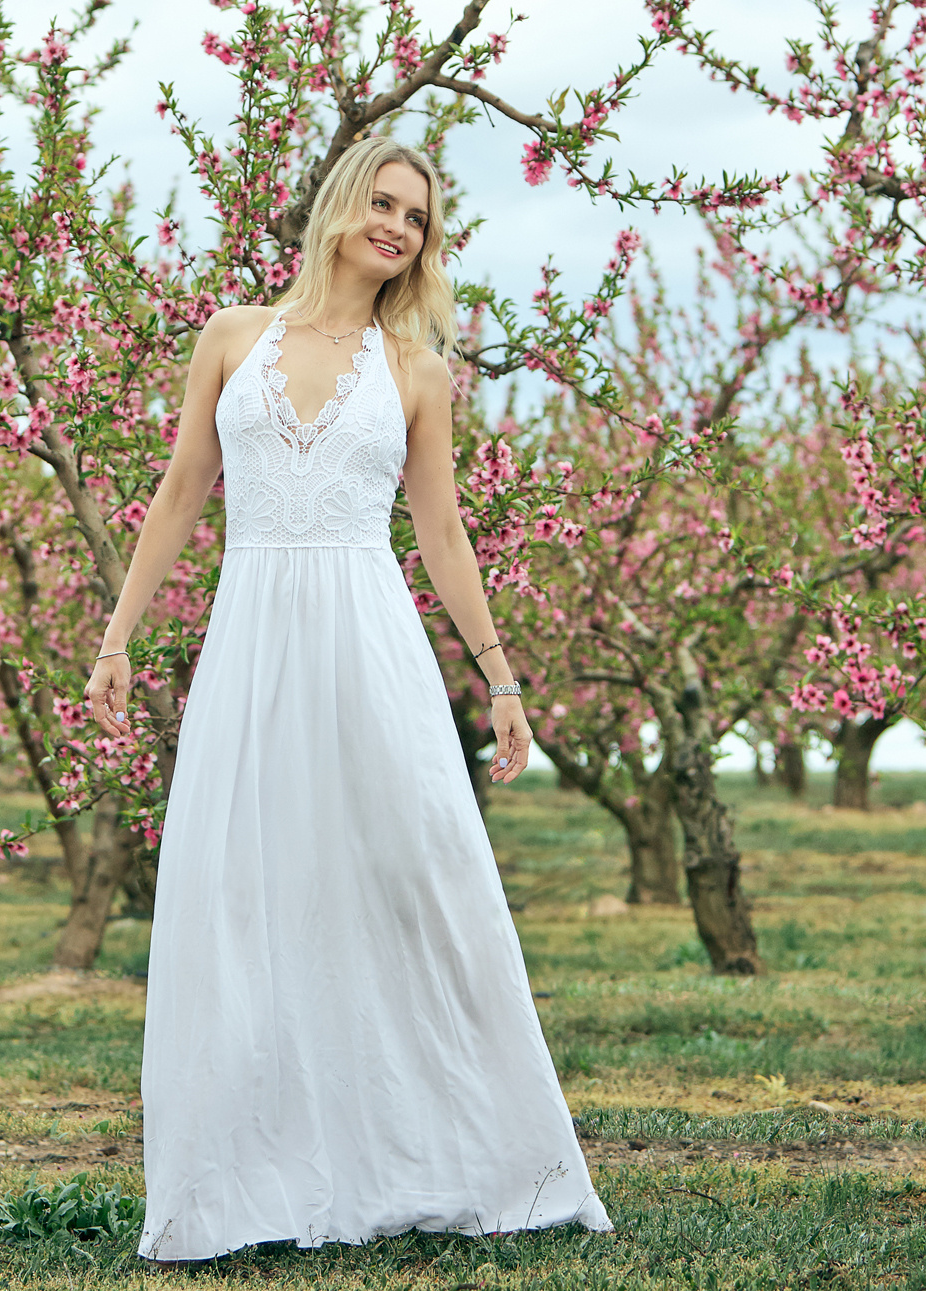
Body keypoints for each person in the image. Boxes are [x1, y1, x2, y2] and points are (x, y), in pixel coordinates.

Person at [86, 131, 612, 1262]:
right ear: (339, 204)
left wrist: (500, 675)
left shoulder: (417, 372)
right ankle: (247, 1175)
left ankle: (466, 1150)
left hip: (369, 642)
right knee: (243, 888)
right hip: (252, 638)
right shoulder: (231, 338)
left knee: (410, 875)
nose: (395, 226)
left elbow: (441, 531)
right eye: (382, 202)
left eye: (415, 218)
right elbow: (182, 491)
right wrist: (118, 639)